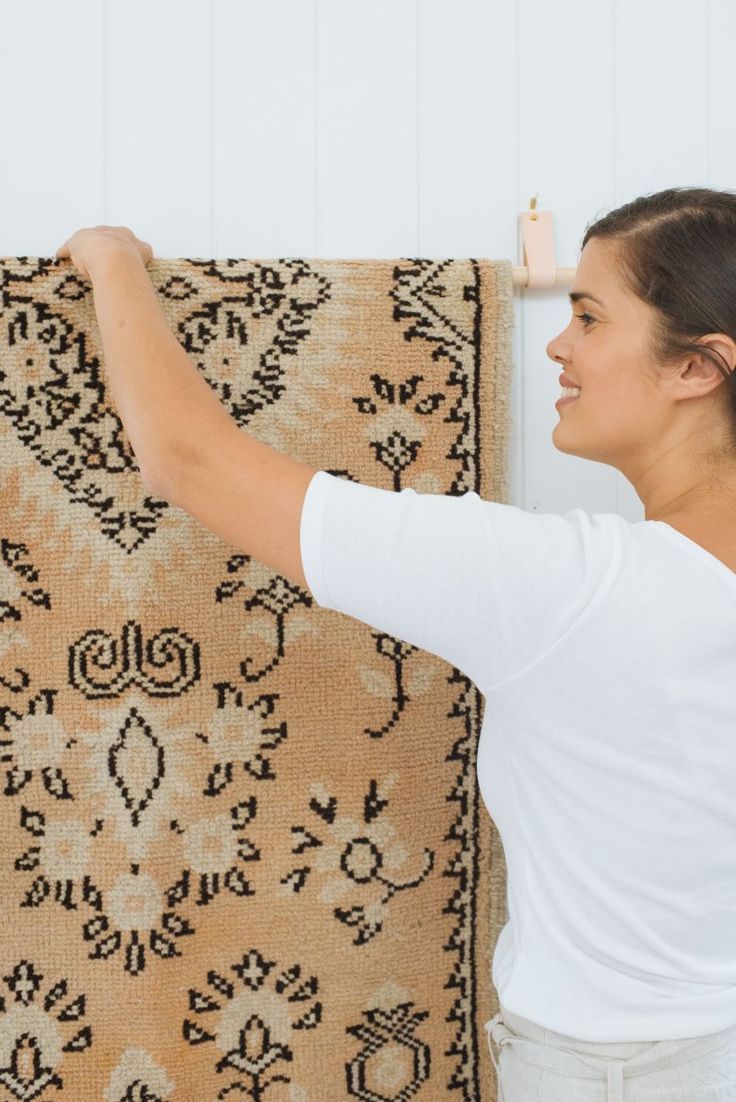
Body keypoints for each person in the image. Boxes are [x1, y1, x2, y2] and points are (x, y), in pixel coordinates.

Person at [56, 186, 736, 1100]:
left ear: (698, 367)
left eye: (588, 316)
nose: (558, 345)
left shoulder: (566, 589)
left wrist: (110, 260)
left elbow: (188, 456)